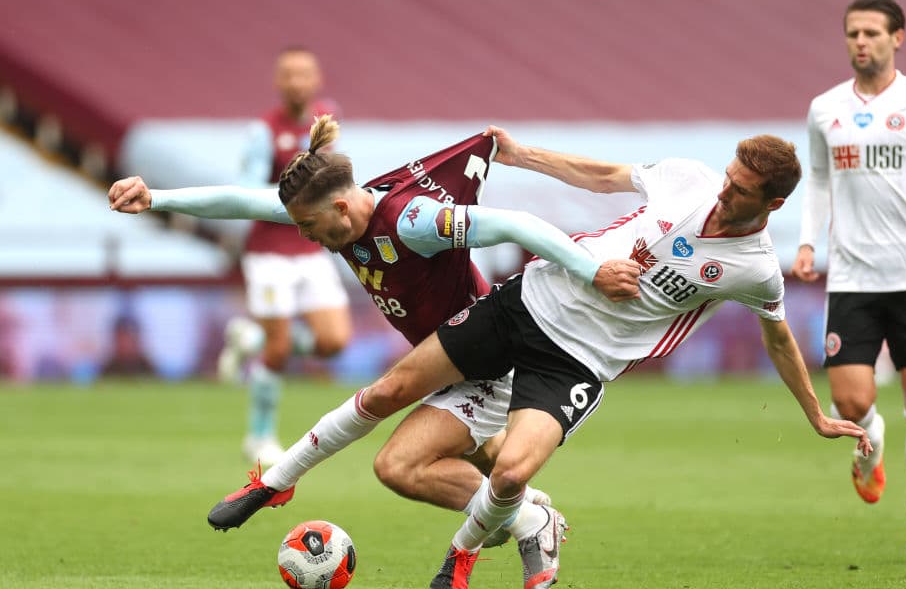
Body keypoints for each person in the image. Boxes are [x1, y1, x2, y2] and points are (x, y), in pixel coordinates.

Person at [239, 126, 871, 589]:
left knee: (512, 470)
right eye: (729, 176)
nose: (724, 190)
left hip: (580, 360)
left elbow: (779, 337)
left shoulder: (755, 268)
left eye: (741, 190)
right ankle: (276, 481)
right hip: (526, 302)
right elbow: (603, 175)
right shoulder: (688, 178)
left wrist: (815, 413)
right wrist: (523, 154)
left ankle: (465, 552)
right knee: (390, 393)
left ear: (773, 203)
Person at [108, 115, 640, 555]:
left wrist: (589, 270)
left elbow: (516, 224)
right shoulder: (330, 210)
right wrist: (155, 197)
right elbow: (244, 201)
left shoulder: (414, 221)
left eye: (308, 227)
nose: (306, 236)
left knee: (398, 443)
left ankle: (526, 519)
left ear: (340, 207)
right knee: (486, 462)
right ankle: (527, 510)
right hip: (444, 360)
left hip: (485, 354)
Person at [790, 0, 906, 567]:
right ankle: (873, 445)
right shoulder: (825, 108)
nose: (860, 42)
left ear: (898, 37)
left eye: (871, 32)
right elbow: (818, 180)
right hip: (851, 277)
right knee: (850, 401)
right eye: (853, 33)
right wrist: (808, 241)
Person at [227, 46, 353, 465]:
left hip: (311, 246)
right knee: (279, 351)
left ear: (317, 80)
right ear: (278, 81)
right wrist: (297, 197)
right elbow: (247, 191)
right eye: (289, 74)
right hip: (270, 252)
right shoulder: (263, 131)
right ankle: (259, 436)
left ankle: (252, 339)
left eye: (304, 74)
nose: (297, 82)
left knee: (333, 341)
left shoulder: (326, 122)